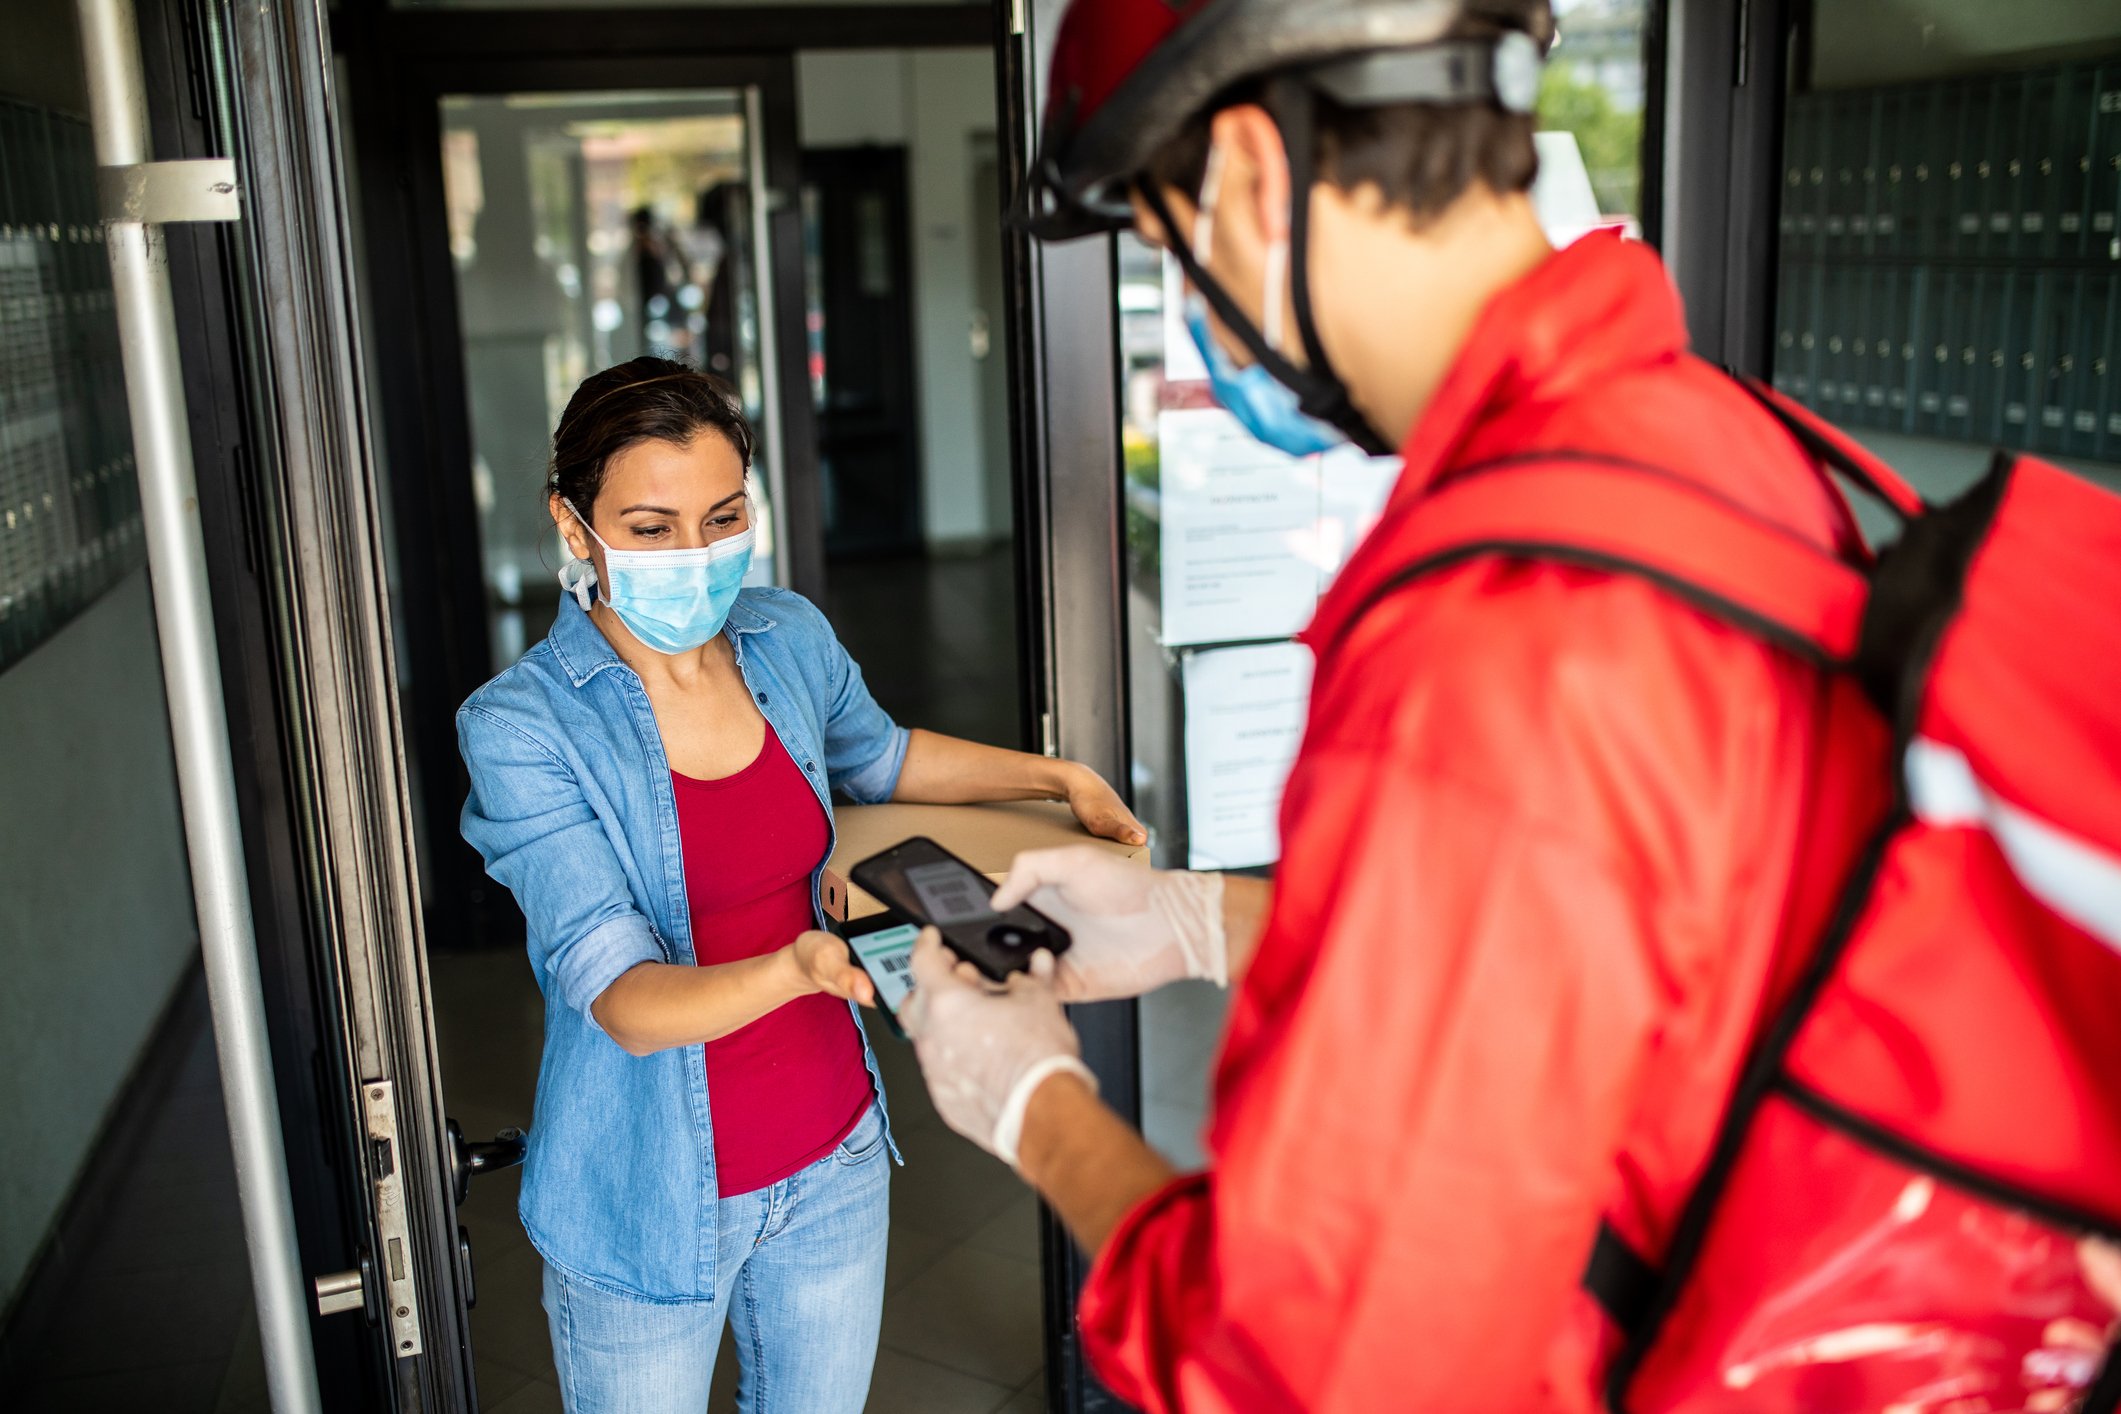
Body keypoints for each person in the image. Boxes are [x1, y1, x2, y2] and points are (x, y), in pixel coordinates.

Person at [896, 1, 1900, 1409]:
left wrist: (1033, 1105)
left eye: (1166, 249)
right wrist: (1204, 917)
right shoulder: (1711, 446)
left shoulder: (1492, 626)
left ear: (1248, 176)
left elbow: (1294, 1361)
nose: (1186, 308)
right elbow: (1620, 980)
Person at [456, 356, 1143, 1412]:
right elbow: (626, 1000)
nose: (697, 553)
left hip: (833, 1158)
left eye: (724, 516)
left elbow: (885, 756)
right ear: (571, 522)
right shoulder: (524, 725)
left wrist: (1058, 776)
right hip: (644, 1202)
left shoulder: (784, 635)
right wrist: (803, 964)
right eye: (650, 528)